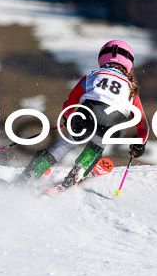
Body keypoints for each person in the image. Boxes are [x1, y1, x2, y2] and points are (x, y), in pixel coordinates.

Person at [17, 40, 149, 189]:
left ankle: (31, 173)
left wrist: (68, 118)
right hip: (113, 124)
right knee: (98, 143)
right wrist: (139, 144)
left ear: (102, 58)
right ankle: (80, 169)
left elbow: (69, 103)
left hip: (88, 114)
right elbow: (142, 124)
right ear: (129, 63)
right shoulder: (132, 88)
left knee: (66, 143)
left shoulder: (93, 75)